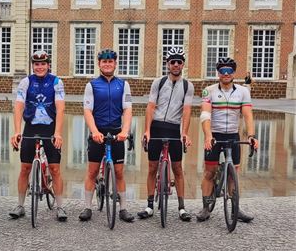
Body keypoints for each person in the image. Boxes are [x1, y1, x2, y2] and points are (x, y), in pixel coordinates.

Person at [197, 57, 259, 222]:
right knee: (209, 172)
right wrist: (208, 135)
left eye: (229, 71)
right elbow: (205, 115)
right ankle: (205, 207)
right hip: (214, 135)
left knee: (233, 173)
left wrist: (251, 135)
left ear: (233, 73)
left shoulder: (243, 91)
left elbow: (247, 116)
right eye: (222, 71)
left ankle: (235, 208)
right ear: (218, 73)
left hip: (232, 135)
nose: (226, 74)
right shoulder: (208, 90)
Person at [9, 50, 67, 221]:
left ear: (48, 65)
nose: (40, 67)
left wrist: (58, 133)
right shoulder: (26, 82)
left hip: (50, 127)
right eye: (36, 64)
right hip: (31, 127)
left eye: (43, 64)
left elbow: (61, 107)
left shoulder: (56, 82)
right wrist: (17, 131)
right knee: (25, 168)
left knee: (55, 169)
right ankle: (20, 205)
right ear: (33, 65)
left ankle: (60, 206)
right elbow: (19, 106)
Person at [137, 47, 194, 221]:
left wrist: (184, 133)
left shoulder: (187, 86)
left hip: (174, 127)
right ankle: (149, 205)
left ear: (182, 64)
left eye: (179, 62)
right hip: (156, 126)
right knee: (152, 167)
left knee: (177, 168)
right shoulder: (158, 82)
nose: (176, 65)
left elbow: (187, 110)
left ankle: (182, 207)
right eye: (172, 62)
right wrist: (147, 130)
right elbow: (151, 107)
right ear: (167, 64)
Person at [79, 48, 134, 222]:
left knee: (119, 173)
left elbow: (128, 110)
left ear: (115, 64)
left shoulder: (123, 84)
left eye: (110, 62)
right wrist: (94, 131)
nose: (108, 64)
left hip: (117, 132)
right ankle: (87, 207)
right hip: (98, 131)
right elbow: (87, 111)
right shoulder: (92, 85)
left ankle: (123, 208)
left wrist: (125, 130)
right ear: (99, 64)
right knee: (92, 171)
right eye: (104, 62)